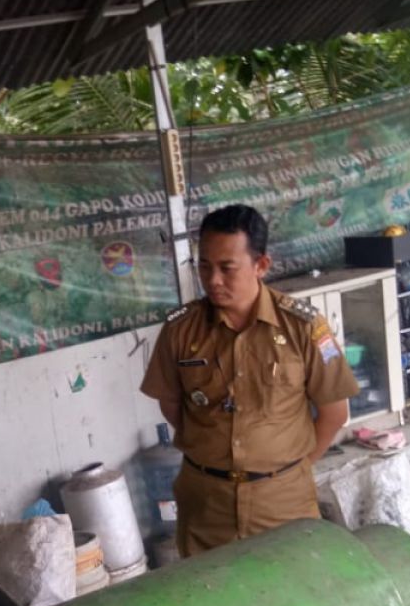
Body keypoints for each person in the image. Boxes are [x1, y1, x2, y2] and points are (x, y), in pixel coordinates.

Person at [140, 204, 358, 556]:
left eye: (227, 268)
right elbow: (172, 405)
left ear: (261, 266)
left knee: (293, 600)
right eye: (205, 266)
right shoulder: (181, 329)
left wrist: (290, 470)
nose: (213, 280)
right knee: (211, 601)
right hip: (206, 508)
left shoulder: (304, 327)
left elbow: (334, 413)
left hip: (283, 507)